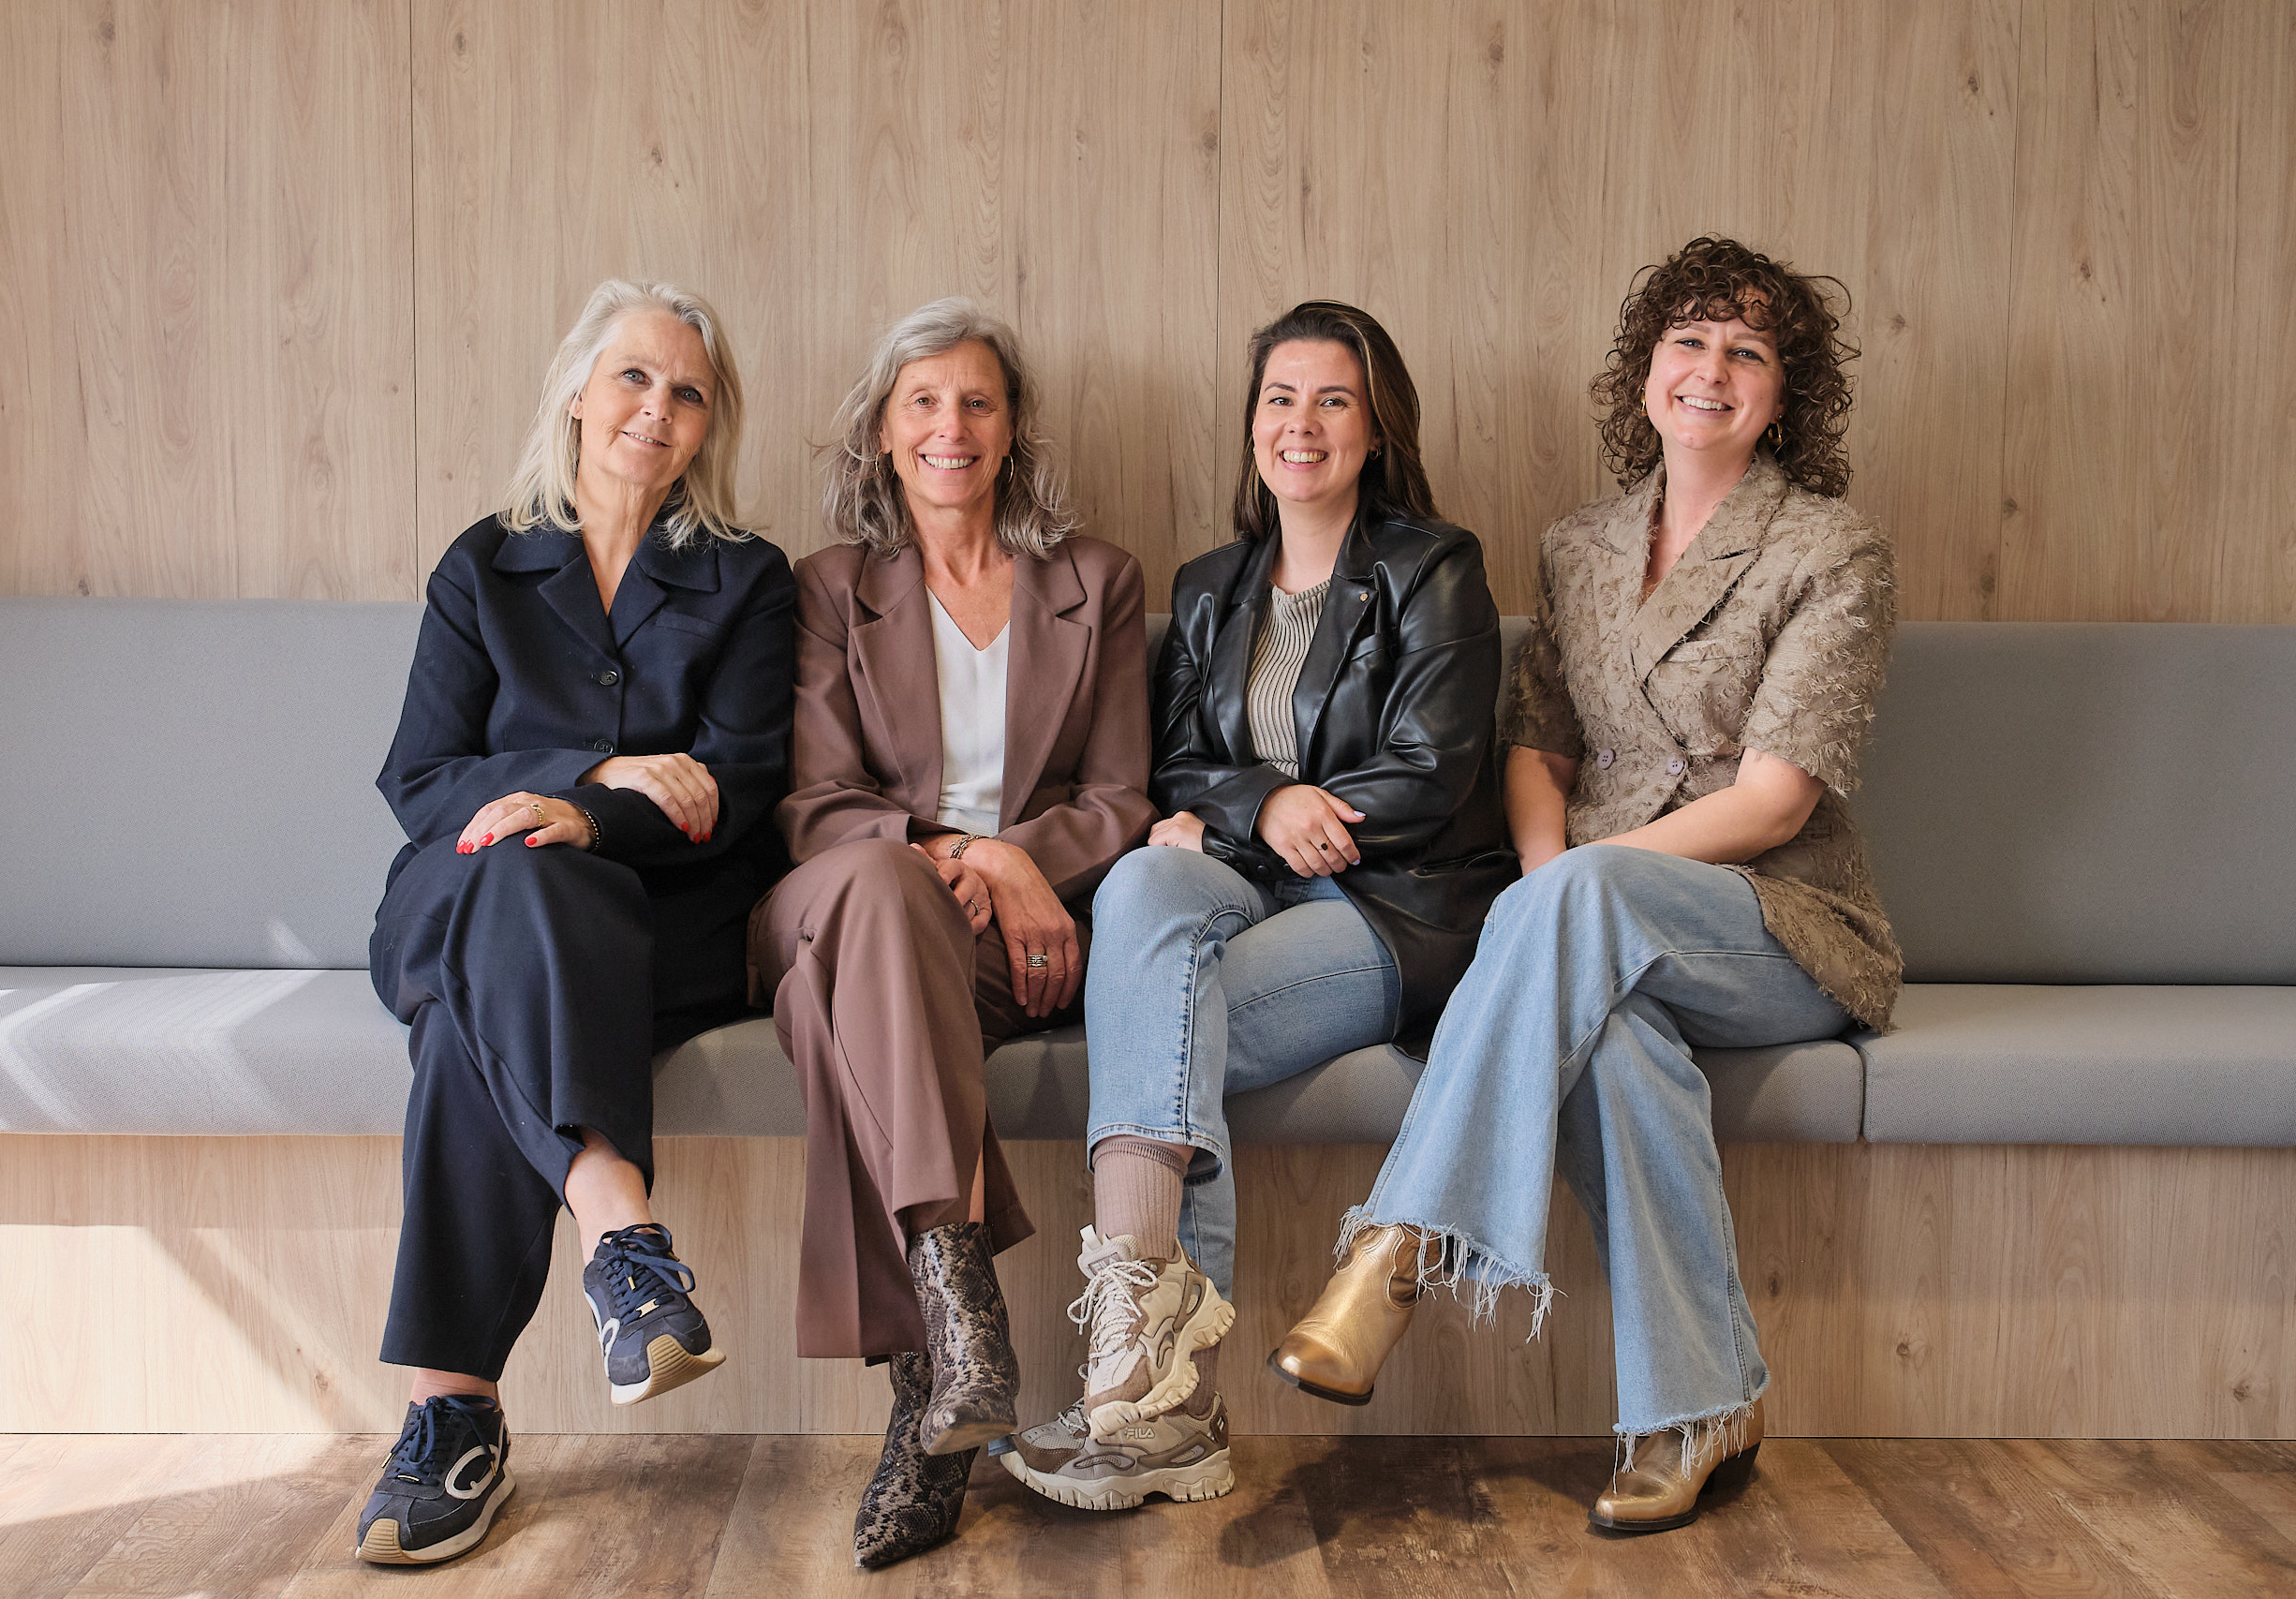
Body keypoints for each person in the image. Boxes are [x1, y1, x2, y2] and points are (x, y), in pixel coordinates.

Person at [1270, 236, 1901, 1534]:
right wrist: (1551, 884)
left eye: (1747, 351)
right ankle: (1699, 1405)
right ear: (1644, 371)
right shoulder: (1581, 546)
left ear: (1785, 394)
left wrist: (1573, 892)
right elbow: (1537, 747)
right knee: (1610, 1048)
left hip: (1777, 924)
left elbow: (1777, 802)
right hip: (1594, 922)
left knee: (1584, 912)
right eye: (1688, 341)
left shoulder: (1832, 550)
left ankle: (1399, 1242)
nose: (1711, 369)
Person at [1002, 302, 1514, 1512]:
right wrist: (1256, 803)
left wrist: (1270, 811)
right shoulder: (1207, 587)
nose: (1302, 424)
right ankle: (1156, 1389)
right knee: (1142, 881)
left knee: (1168, 1020)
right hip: (1246, 884)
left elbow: (1433, 771)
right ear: (1251, 425)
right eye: (1281, 398)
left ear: (1376, 429)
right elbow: (1176, 766)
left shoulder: (1434, 567)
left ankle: (1151, 1394)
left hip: (1393, 904)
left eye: (1334, 401)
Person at [353, 281, 794, 1564]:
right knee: (512, 870)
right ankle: (622, 1235)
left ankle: (451, 1417)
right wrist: (594, 778)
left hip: (659, 927)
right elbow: (422, 780)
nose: (656, 409)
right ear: (576, 396)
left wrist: (585, 821)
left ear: (711, 425)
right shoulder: (484, 563)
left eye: (688, 391)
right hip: (462, 893)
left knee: (475, 1011)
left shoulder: (748, 578)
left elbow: (738, 785)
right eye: (632, 378)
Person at [748, 298, 1153, 1568]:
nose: (951, 425)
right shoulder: (830, 587)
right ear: (883, 429)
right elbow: (816, 801)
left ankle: (932, 1390)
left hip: (990, 941)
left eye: (978, 400)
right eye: (922, 401)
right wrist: (969, 853)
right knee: (880, 888)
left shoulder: (1098, 582)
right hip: (840, 896)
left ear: (1013, 427)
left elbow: (1121, 796)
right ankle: (960, 1300)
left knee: (841, 1011)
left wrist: (1024, 865)